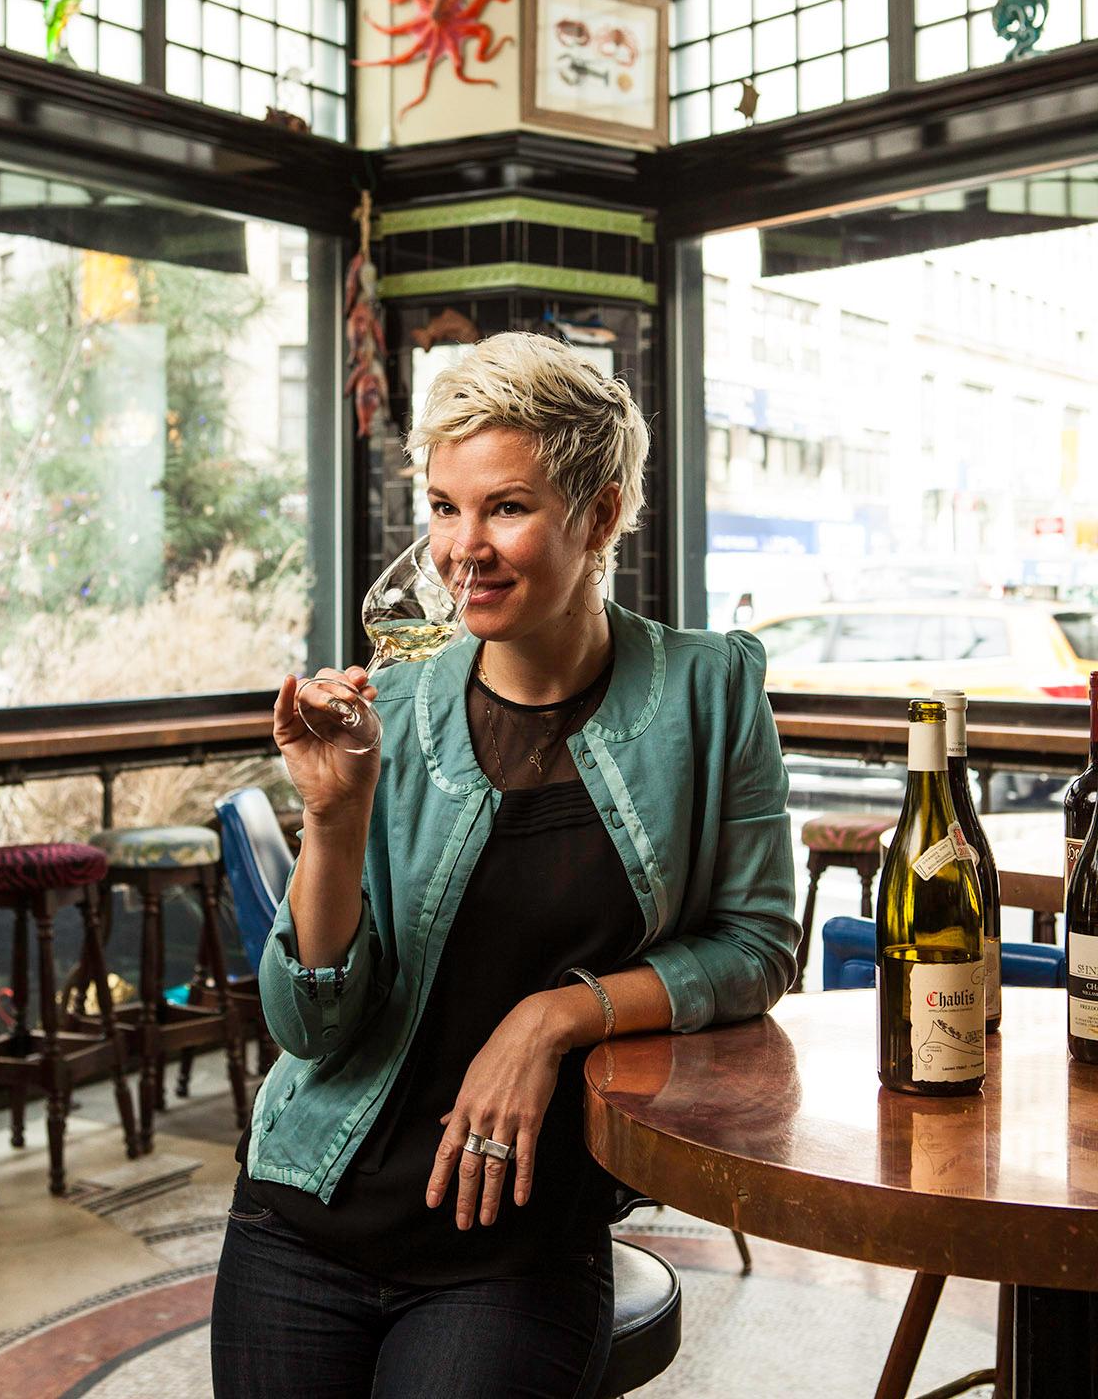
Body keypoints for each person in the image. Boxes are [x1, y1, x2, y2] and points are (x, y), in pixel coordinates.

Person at [210, 331, 799, 1399]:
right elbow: (309, 1028)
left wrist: (554, 1017)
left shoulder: (713, 694)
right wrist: (334, 823)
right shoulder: (393, 707)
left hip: (512, 1252)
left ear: (602, 513)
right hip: (301, 1216)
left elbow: (757, 948)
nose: (460, 548)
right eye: (444, 506)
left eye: (507, 507)